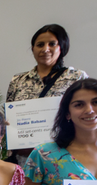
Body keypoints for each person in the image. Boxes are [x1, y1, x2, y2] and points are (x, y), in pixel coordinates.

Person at [6, 24, 88, 166]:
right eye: (40, 45)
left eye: (52, 44)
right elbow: (9, 116)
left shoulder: (76, 77)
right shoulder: (18, 80)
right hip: (26, 158)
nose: (45, 49)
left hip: (64, 156)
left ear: (62, 47)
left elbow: (85, 114)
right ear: (33, 49)